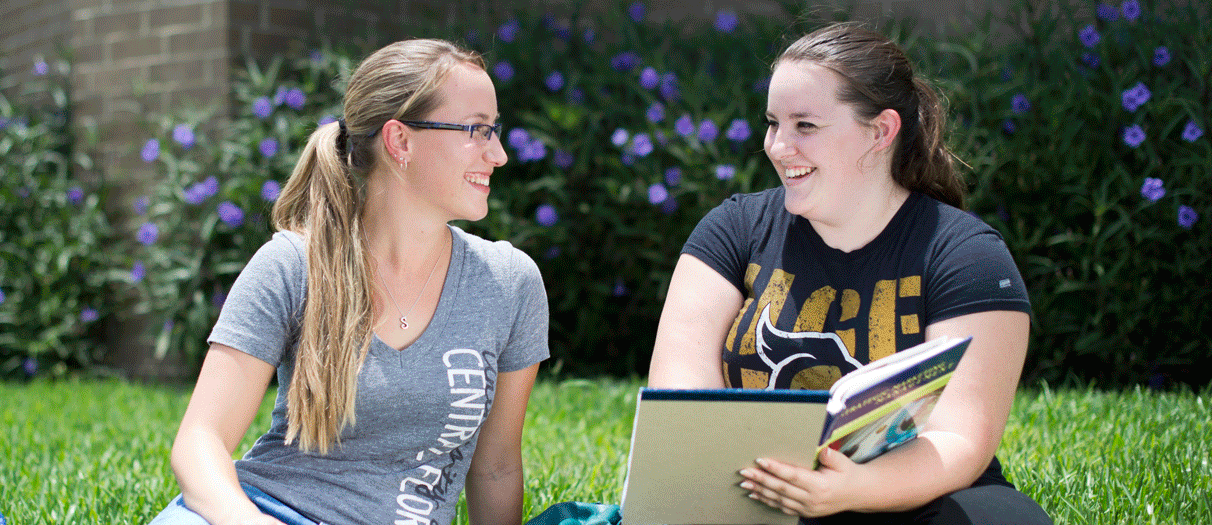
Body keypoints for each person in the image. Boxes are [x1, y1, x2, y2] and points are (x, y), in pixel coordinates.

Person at [648, 23, 1052, 525]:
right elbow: (681, 409)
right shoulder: (732, 230)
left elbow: (959, 438)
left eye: (805, 126)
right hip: (758, 499)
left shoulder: (967, 256)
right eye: (773, 123)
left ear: (880, 132)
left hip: (909, 498)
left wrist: (850, 489)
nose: (778, 146)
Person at [147, 38, 549, 525]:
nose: (499, 154)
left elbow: (496, 468)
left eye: (495, 130)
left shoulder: (508, 284)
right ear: (400, 141)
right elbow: (200, 441)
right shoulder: (295, 264)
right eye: (476, 130)